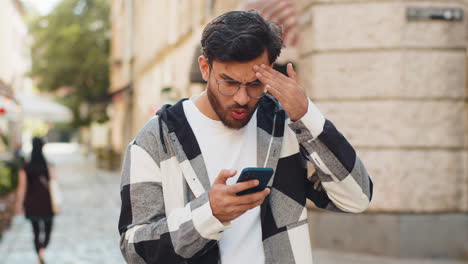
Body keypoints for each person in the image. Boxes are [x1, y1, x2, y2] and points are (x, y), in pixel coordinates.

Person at [118, 10, 373, 264]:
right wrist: (209, 214)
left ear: (270, 71)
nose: (242, 98)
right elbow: (135, 250)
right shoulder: (155, 140)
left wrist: (307, 116)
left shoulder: (284, 126)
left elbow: (356, 198)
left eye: (254, 84)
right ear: (205, 68)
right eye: (228, 83)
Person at [15, 137, 55, 264]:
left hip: (31, 204)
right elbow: (53, 182)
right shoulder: (48, 165)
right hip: (47, 204)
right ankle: (42, 250)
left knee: (36, 231)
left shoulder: (25, 167)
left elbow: (22, 188)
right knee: (48, 230)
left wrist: (19, 204)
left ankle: (39, 254)